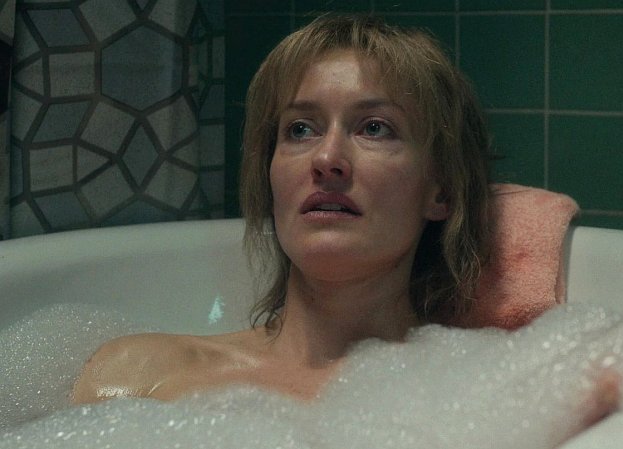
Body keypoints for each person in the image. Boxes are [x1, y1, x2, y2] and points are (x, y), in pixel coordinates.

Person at [71, 14, 494, 403]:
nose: (326, 158)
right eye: (300, 129)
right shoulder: (137, 376)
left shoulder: (478, 395)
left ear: (442, 191)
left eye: (374, 128)